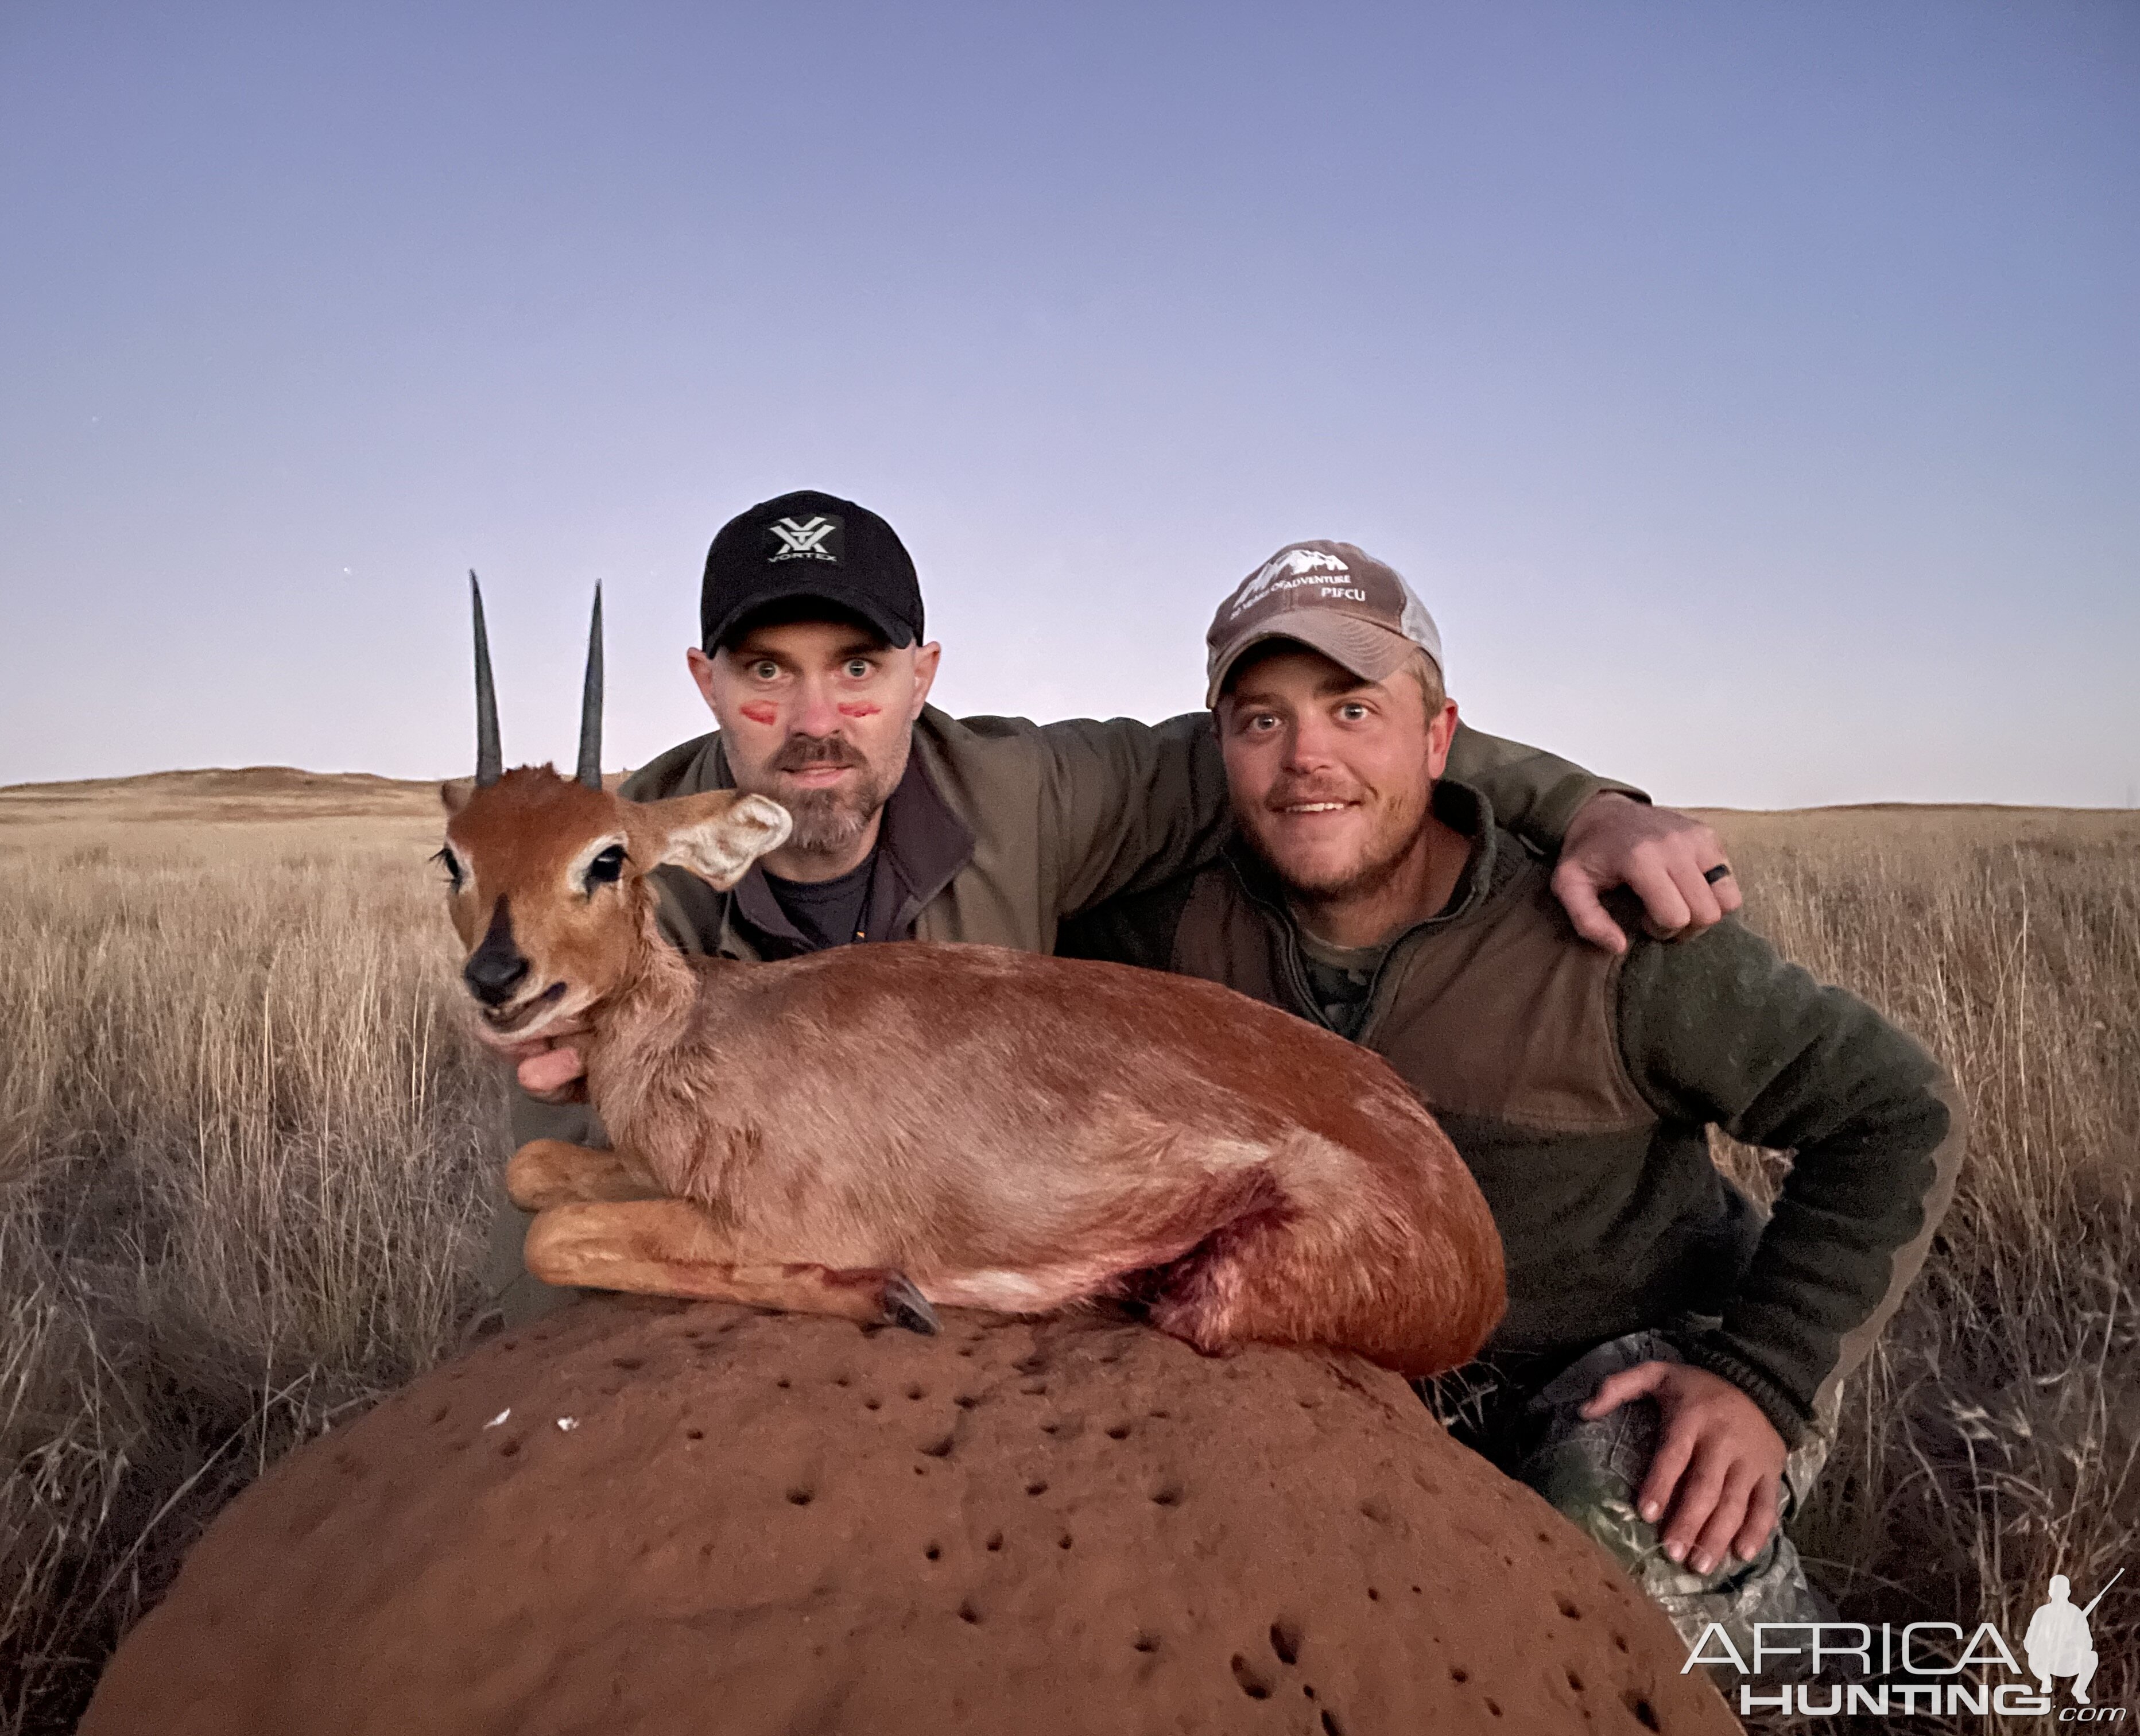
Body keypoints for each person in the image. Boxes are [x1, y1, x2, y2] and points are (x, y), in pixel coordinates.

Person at [479, 492, 1741, 1328]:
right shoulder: (621, 844)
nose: (816, 723)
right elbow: (534, 941)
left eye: (857, 671)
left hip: (983, 1184)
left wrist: (1584, 805)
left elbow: (1316, 745)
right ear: (705, 682)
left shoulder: (1032, 789)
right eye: (766, 676)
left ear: (923, 674)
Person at [1060, 541, 1965, 1655]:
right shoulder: (1166, 934)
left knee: (1605, 1548)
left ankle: (1787, 1687)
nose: (1306, 758)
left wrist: (1761, 1379)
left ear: (1442, 740)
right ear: (1220, 755)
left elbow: (1895, 1109)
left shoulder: (1604, 934)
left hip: (1619, 1359)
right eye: (1261, 721)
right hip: (1366, 1377)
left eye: (1353, 711)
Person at [2025, 1575, 2102, 1704]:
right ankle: (2046, 1680)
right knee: (2034, 1656)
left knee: (2092, 1657)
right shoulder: (2042, 1613)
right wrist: (2047, 1644)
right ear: (2050, 1592)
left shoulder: (2076, 1613)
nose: (2059, 1595)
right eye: (2057, 1591)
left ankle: (2079, 1690)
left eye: (2062, 1591)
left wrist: (2072, 1642)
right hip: (2047, 1662)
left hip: (2068, 1662)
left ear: (2068, 1593)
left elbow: (2087, 1644)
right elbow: (2029, 1643)